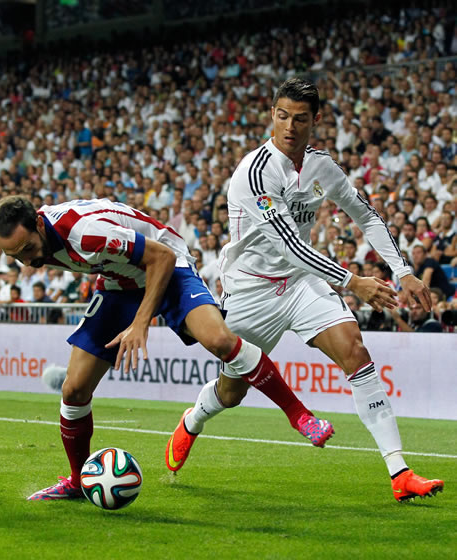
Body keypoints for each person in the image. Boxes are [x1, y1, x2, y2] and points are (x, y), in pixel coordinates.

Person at [167, 78, 444, 503]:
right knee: (231, 391)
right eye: (282, 116)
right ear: (272, 116)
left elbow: (366, 216)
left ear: (316, 120)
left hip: (300, 283)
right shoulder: (255, 173)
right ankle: (194, 419)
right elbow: (289, 245)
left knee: (355, 350)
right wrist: (354, 282)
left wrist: (402, 270)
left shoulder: (321, 166)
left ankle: (399, 471)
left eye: (300, 118)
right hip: (251, 290)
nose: (290, 126)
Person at [0, 195, 334, 501]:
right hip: (118, 282)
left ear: (38, 223)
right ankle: (78, 482)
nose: (27, 262)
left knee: (219, 340)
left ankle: (300, 416)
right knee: (74, 389)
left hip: (168, 265)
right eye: (14, 256)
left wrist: (140, 323)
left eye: (28, 250)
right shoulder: (38, 242)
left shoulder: (86, 233)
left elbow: (161, 257)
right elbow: (100, 262)